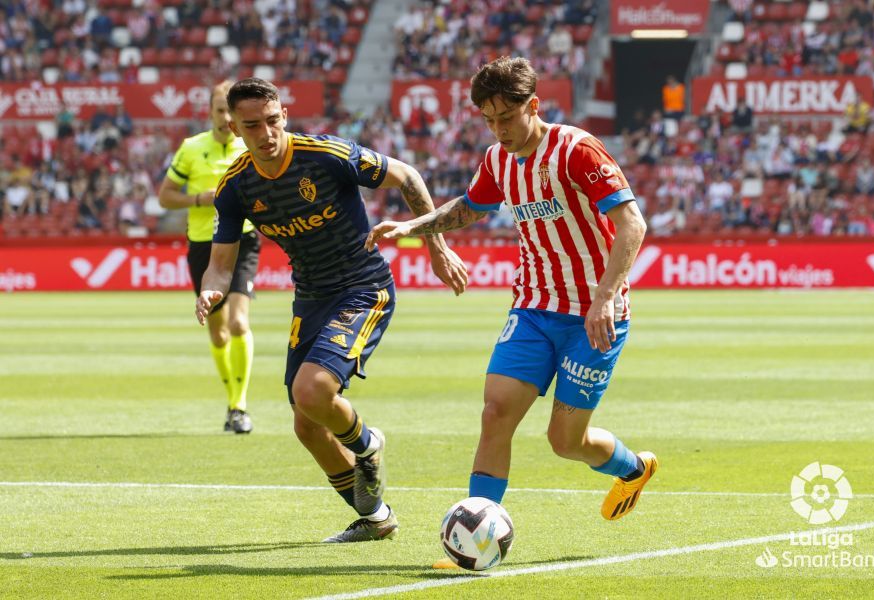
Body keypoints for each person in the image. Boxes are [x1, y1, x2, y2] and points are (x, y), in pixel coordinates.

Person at [366, 57, 657, 559]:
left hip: (593, 316)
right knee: (496, 413)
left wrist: (606, 297)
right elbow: (469, 207)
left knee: (565, 441)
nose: (499, 130)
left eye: (507, 117)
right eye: (489, 120)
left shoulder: (577, 150)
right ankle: (475, 540)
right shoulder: (497, 160)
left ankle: (633, 468)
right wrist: (412, 226)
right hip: (533, 309)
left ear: (534, 105)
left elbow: (633, 224)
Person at [195, 78, 467, 542]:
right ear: (235, 128)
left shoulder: (326, 155)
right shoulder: (235, 187)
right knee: (307, 425)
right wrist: (210, 292)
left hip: (363, 287)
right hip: (311, 297)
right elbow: (221, 266)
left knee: (313, 391)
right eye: (252, 125)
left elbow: (408, 176)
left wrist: (436, 248)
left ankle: (368, 444)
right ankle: (376, 518)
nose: (266, 133)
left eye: (273, 120)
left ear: (284, 115)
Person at [159, 80, 260, 434]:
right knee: (218, 335)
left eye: (230, 111)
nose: (225, 117)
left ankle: (239, 406)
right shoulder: (191, 148)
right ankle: (232, 402)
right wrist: (199, 199)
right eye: (220, 110)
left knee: (239, 323)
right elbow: (165, 197)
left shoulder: (249, 146)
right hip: (204, 245)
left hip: (243, 240)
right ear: (211, 112)